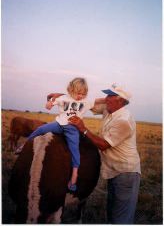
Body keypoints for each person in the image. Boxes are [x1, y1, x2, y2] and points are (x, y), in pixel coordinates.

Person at [68, 84, 141, 224]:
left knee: (121, 217)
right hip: (115, 170)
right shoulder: (109, 110)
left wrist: (83, 129)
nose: (106, 99)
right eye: (106, 95)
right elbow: (89, 104)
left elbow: (103, 145)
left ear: (120, 100)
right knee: (113, 210)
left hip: (126, 172)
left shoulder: (123, 120)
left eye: (110, 95)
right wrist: (62, 97)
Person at [15, 77, 104, 192]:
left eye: (83, 93)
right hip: (58, 124)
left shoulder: (85, 101)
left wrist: (107, 99)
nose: (80, 96)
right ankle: (24, 146)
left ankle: (74, 176)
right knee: (40, 130)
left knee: (75, 150)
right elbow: (50, 104)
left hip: (72, 129)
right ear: (71, 90)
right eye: (78, 93)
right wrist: (49, 104)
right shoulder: (63, 98)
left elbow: (98, 100)